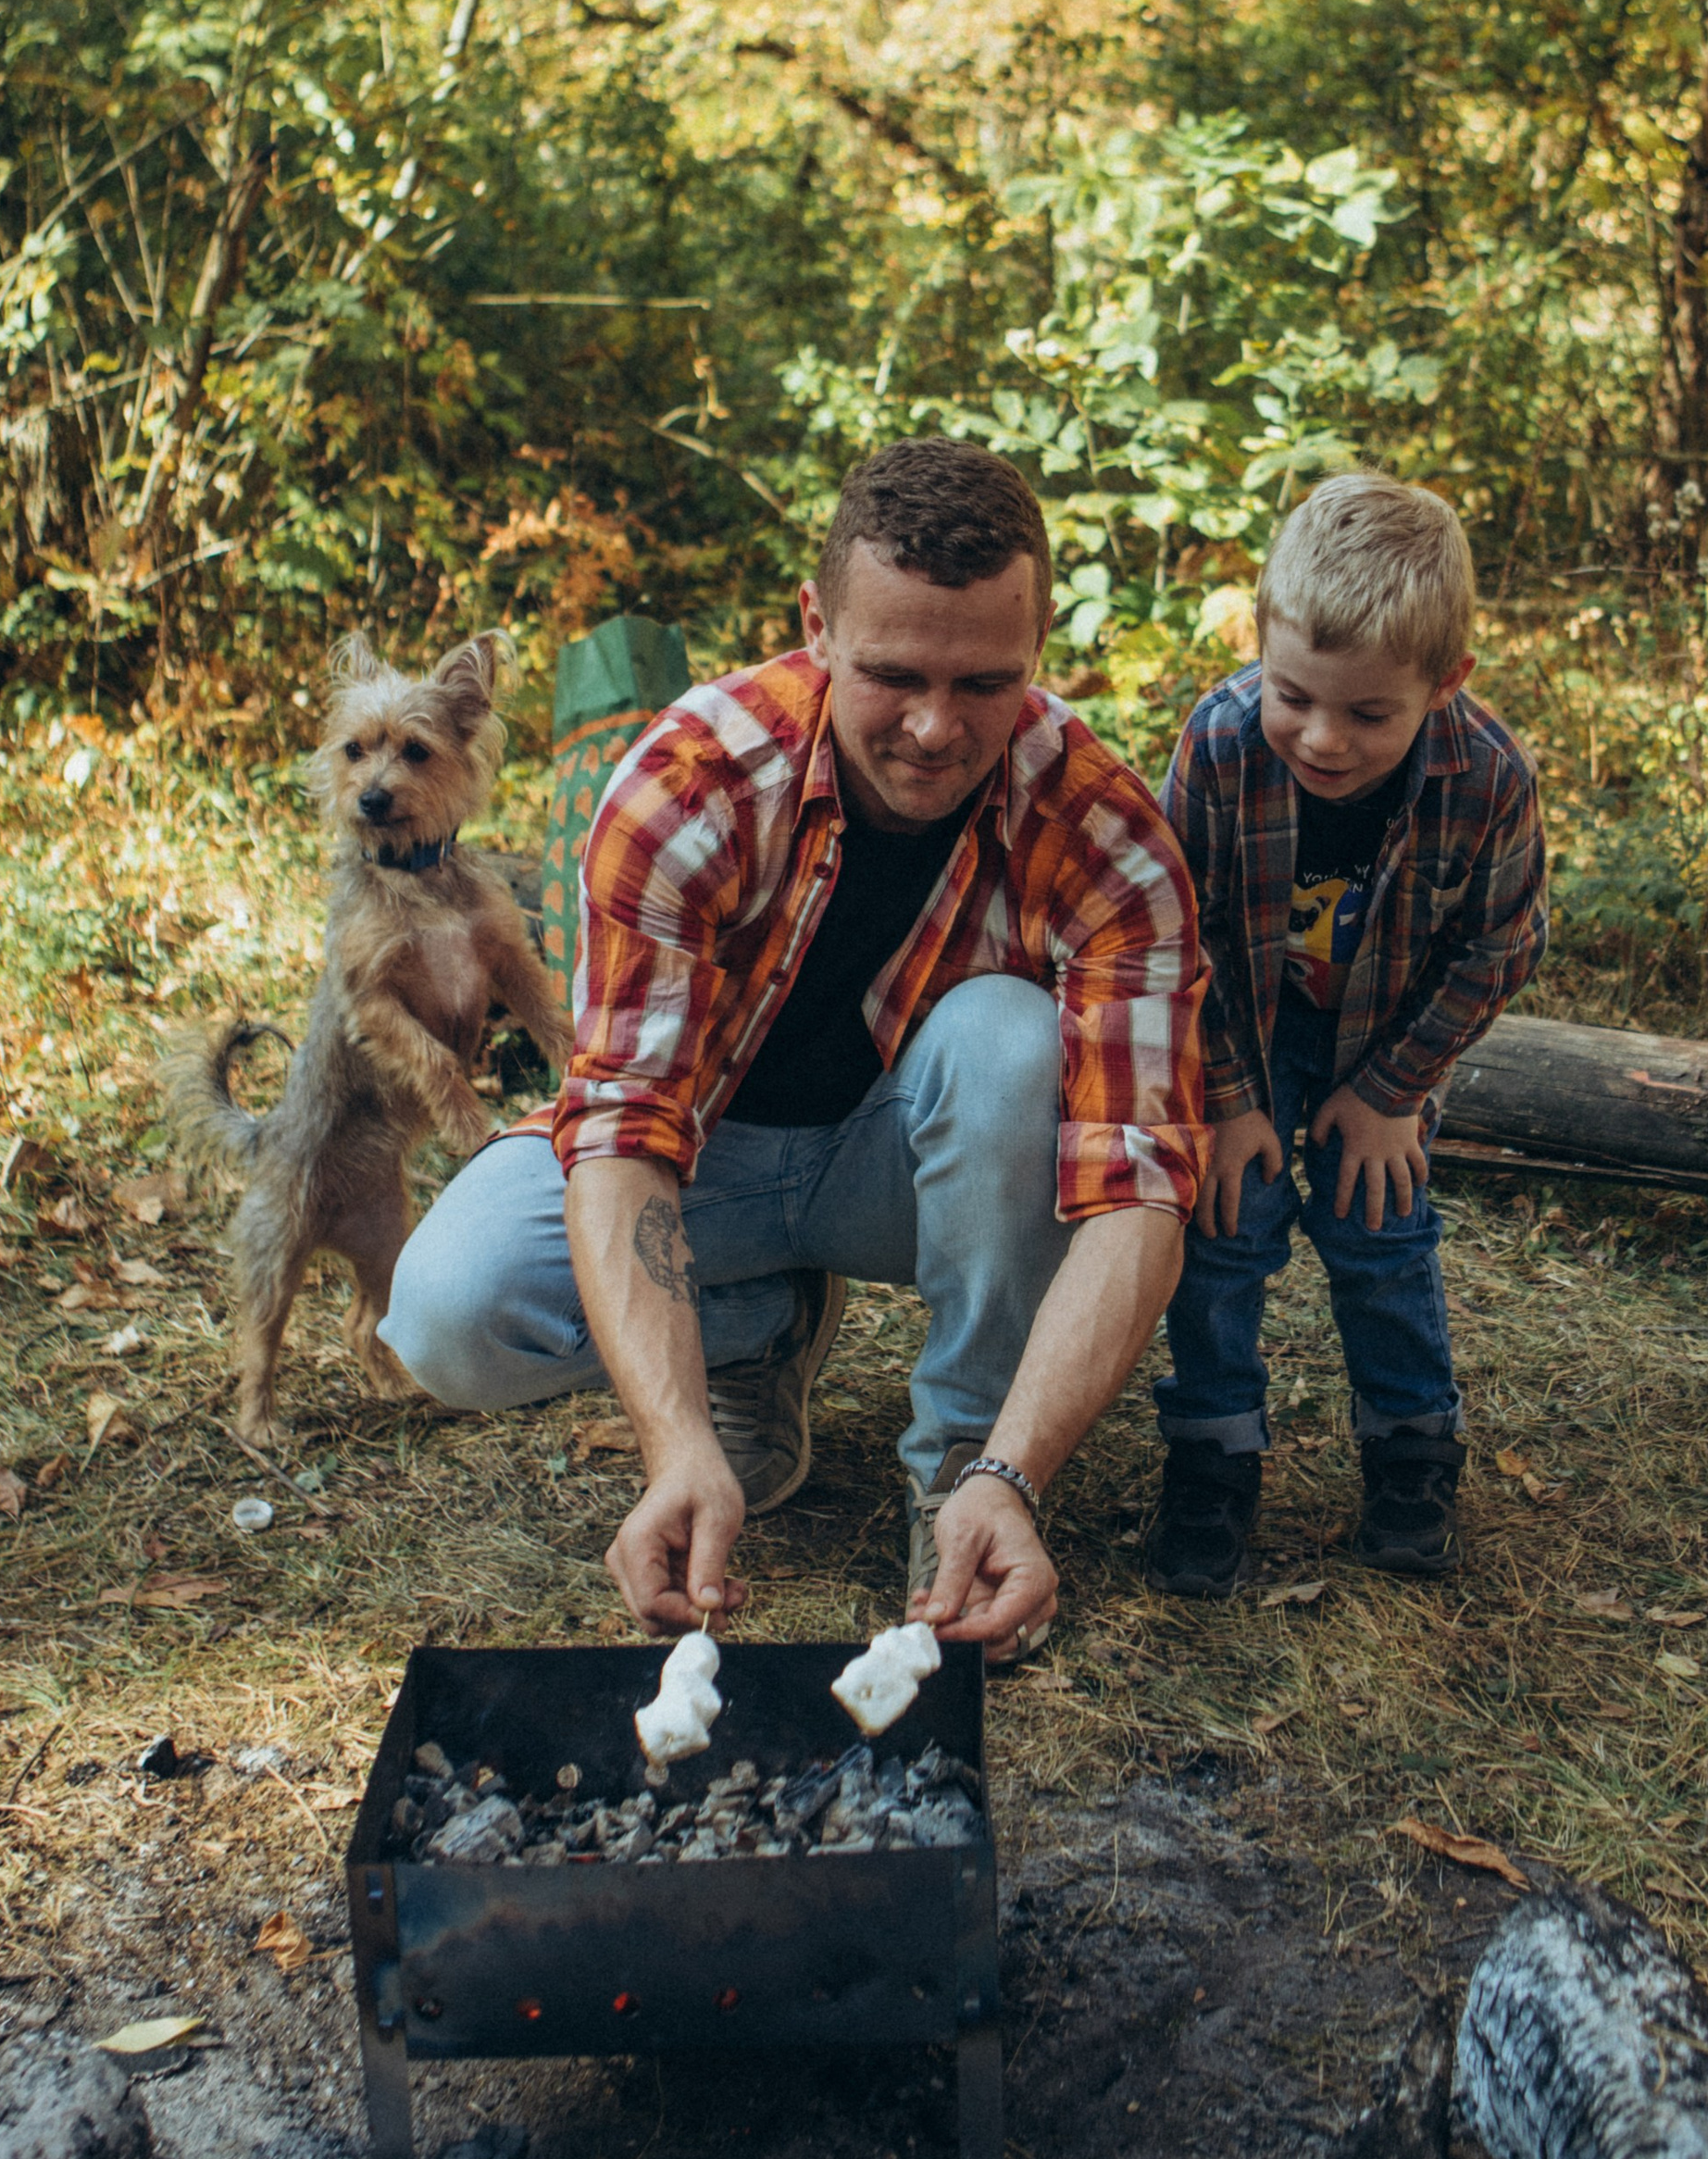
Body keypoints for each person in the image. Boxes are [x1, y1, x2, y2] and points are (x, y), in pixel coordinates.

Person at [380, 437, 1208, 1651]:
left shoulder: (1107, 832)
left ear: (1037, 650)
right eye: (894, 674)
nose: (936, 727)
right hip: (706, 1162)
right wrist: (675, 1447)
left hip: (906, 1171)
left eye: (985, 683)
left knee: (1009, 1043)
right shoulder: (690, 782)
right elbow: (622, 1135)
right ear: (816, 624)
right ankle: (752, 1331)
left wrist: (1020, 1469)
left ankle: (969, 1477)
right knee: (448, 1315)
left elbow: (1138, 1196)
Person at [1148, 471, 1547, 1595]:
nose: (1321, 739)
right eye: (1295, 696)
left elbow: (1501, 944)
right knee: (1225, 1228)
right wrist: (1226, 1100)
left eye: (1369, 713)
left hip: (1388, 1039)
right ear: (1260, 645)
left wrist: (1391, 1094)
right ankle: (1212, 1453)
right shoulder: (1222, 747)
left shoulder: (1487, 775)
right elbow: (1184, 932)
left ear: (1445, 681)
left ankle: (1411, 1450)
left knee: (1382, 1230)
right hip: (1244, 1030)